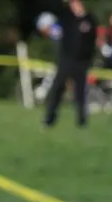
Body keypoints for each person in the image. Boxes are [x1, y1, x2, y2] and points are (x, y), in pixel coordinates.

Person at [43, 0, 98, 128]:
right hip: (66, 59)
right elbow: (57, 8)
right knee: (58, 88)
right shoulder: (67, 18)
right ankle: (49, 118)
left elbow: (92, 40)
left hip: (82, 61)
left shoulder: (90, 19)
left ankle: (82, 121)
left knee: (80, 92)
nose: (73, 6)